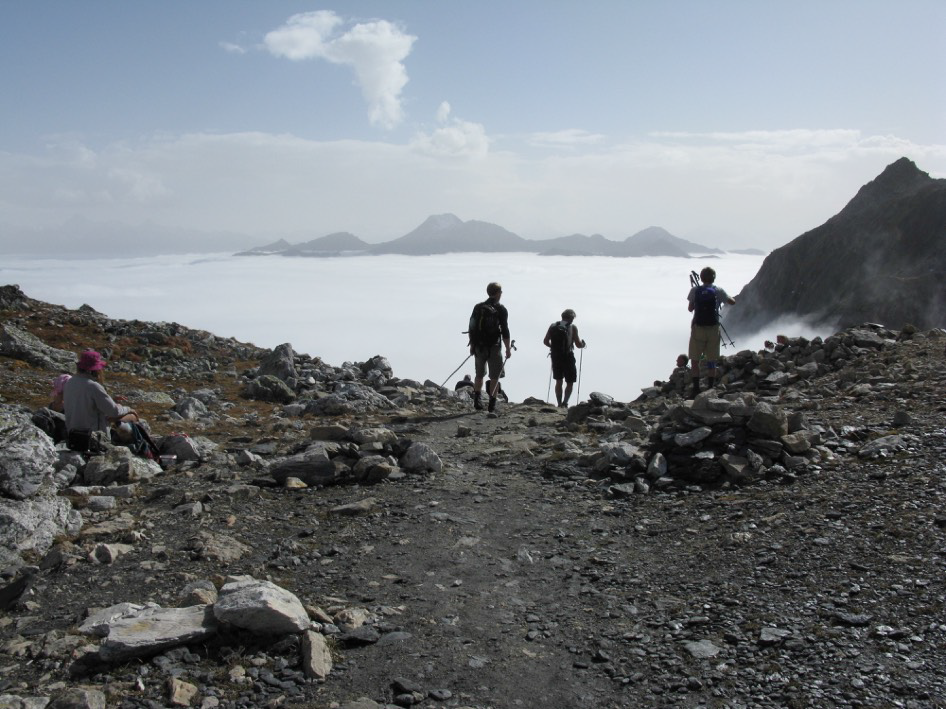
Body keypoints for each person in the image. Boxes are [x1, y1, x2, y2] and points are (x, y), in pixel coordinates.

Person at [63, 349, 138, 452]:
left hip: (73, 436)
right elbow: (113, 411)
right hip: (93, 438)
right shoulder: (93, 386)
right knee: (132, 416)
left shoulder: (70, 382)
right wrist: (128, 408)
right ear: (93, 370)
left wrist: (111, 400)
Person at [687, 266, 736, 397]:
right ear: (714, 278)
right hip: (713, 328)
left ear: (701, 278)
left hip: (698, 327)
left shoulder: (695, 290)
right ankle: (710, 387)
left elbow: (690, 308)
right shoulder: (718, 290)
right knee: (711, 360)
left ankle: (696, 389)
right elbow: (732, 302)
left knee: (695, 360)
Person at [468, 282, 512, 412]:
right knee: (494, 377)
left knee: (479, 375)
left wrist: (472, 344)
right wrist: (508, 348)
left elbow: (471, 326)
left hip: (479, 346)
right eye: (501, 292)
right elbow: (505, 330)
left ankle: (477, 400)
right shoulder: (501, 309)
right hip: (494, 346)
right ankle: (492, 404)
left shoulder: (478, 307)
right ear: (498, 293)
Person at [543, 309, 586, 408]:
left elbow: (545, 341)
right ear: (571, 318)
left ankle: (558, 403)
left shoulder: (553, 326)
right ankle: (565, 403)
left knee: (558, 380)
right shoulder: (572, 327)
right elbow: (578, 344)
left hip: (556, 356)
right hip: (568, 356)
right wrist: (583, 344)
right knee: (570, 381)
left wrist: (553, 348)